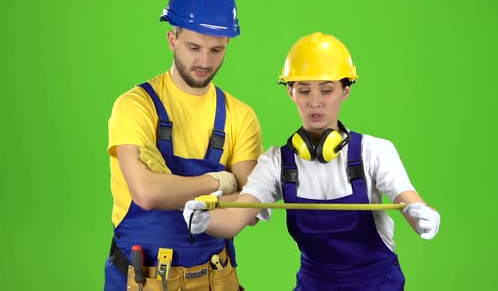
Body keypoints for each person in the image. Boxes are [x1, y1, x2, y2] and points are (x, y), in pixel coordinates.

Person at [182, 32, 441, 290]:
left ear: (345, 90)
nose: (315, 102)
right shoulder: (277, 162)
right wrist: (205, 221)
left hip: (376, 283)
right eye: (304, 90)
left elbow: (408, 201)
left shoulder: (374, 152)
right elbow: (236, 218)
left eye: (326, 90)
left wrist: (424, 217)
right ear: (291, 93)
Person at [103, 0, 263, 291]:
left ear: (228, 44)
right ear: (172, 39)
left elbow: (250, 209)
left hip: (216, 281)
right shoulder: (136, 107)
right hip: (140, 281)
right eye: (194, 47)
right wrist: (217, 183)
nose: (205, 61)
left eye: (216, 49)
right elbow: (147, 193)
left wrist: (174, 192)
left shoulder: (239, 116)